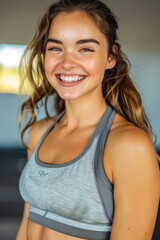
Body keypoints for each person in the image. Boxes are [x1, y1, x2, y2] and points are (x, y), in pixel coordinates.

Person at [16, 0, 160, 239]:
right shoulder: (39, 133)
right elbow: (25, 226)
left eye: (85, 49)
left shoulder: (128, 146)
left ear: (110, 58)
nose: (67, 63)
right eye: (55, 48)